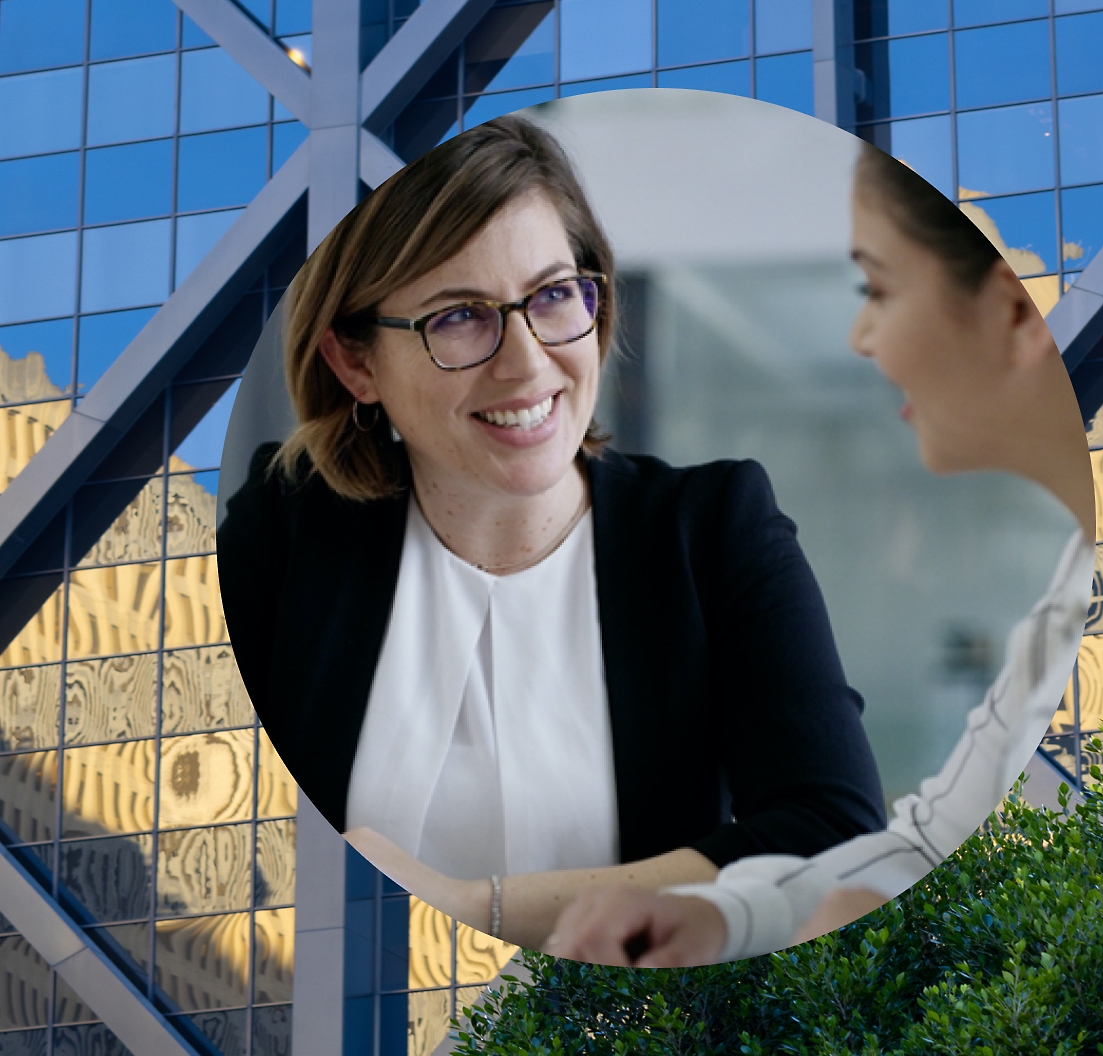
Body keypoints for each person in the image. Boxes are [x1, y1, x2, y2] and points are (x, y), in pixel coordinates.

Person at [216, 116, 886, 950]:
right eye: (459, 316)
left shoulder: (713, 529)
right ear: (356, 365)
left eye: (553, 294)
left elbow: (835, 836)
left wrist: (463, 906)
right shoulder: (285, 531)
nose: (528, 362)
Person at [543, 140, 1097, 966]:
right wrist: (724, 917)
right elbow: (929, 836)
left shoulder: (714, 515)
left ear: (1016, 311)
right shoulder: (1061, 608)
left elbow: (859, 824)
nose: (860, 334)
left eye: (876, 288)